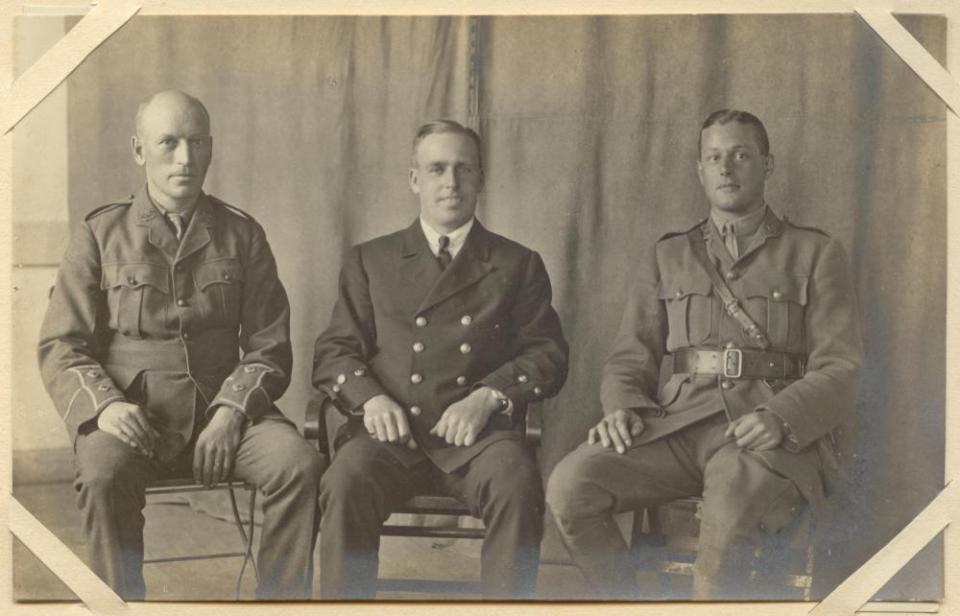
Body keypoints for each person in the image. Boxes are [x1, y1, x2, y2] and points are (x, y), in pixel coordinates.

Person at [546, 109, 862, 599]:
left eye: (741, 155)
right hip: (675, 428)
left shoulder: (815, 253)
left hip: (760, 435)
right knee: (571, 486)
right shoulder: (668, 255)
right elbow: (630, 356)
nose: (726, 168)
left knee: (726, 524)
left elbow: (841, 367)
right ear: (699, 169)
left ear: (767, 165)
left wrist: (780, 417)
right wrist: (623, 408)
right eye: (714, 157)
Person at [38, 90, 324, 600]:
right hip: (132, 415)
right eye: (168, 143)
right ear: (139, 150)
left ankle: (283, 605)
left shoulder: (242, 234)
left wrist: (231, 413)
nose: (185, 159)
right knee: (102, 476)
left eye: (197, 142)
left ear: (211, 148)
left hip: (224, 411)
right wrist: (106, 408)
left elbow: (268, 345)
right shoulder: (99, 234)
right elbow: (63, 344)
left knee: (297, 465)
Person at [312, 119, 568, 599]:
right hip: (390, 435)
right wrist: (369, 400)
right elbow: (334, 351)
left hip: (478, 440)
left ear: (480, 179)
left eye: (463, 169)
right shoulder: (371, 259)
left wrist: (490, 397)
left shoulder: (517, 263)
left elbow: (547, 353)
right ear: (415, 180)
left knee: (518, 486)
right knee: (343, 484)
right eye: (436, 169)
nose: (450, 182)